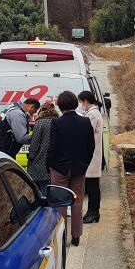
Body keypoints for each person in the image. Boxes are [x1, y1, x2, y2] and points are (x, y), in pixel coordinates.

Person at [47, 90, 95, 246]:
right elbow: (91, 147)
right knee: (77, 201)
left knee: (60, 202)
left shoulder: (56, 123)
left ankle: (62, 236)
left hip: (59, 168)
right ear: (76, 104)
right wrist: (85, 163)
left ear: (60, 105)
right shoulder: (85, 122)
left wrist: (50, 164)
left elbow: (52, 147)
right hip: (79, 168)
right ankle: (76, 236)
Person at [77, 90, 104, 223]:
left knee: (93, 187)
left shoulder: (92, 114)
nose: (81, 104)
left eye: (81, 102)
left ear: (86, 101)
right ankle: (92, 212)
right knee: (92, 185)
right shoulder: (92, 113)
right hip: (92, 155)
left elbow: (86, 132)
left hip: (92, 155)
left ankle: (93, 212)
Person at [26, 98, 58, 190]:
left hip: (40, 162)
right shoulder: (59, 121)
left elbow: (35, 143)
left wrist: (31, 157)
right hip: (56, 162)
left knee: (42, 189)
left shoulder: (40, 122)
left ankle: (45, 203)